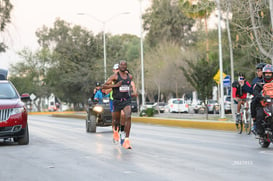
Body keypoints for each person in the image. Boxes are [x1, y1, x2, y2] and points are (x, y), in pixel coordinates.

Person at [102, 60, 137, 149]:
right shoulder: (114, 77)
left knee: (128, 116)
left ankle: (126, 140)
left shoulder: (130, 76)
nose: (123, 66)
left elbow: (130, 87)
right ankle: (116, 132)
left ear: (126, 66)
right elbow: (104, 86)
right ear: (119, 67)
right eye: (121, 65)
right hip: (116, 101)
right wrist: (115, 86)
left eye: (124, 65)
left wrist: (133, 92)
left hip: (126, 100)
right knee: (116, 121)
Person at [253, 64, 273, 137]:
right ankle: (259, 131)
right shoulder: (259, 83)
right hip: (263, 104)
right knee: (259, 115)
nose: (268, 75)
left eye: (270, 73)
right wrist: (260, 97)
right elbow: (255, 91)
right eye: (266, 73)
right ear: (264, 74)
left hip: (272, 103)